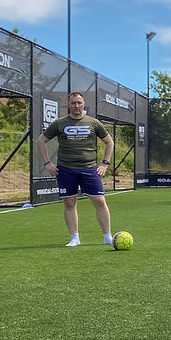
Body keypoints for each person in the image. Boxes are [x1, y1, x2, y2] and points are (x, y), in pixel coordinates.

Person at [36, 91, 114, 247]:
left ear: (83, 104)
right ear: (69, 105)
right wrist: (48, 164)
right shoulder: (59, 123)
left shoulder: (94, 123)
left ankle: (107, 237)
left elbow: (109, 142)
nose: (76, 105)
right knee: (70, 203)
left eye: (79, 102)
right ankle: (74, 238)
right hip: (66, 169)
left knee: (100, 201)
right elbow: (41, 141)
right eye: (73, 103)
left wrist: (104, 164)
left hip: (90, 169)